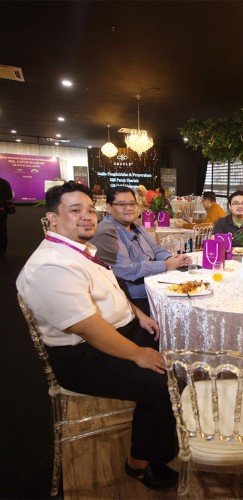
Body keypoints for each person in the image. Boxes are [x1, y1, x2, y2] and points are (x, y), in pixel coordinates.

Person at [16, 181, 179, 490]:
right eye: (75, 210)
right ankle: (139, 463)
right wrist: (138, 354)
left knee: (176, 349)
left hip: (118, 332)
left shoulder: (79, 249)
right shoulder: (51, 265)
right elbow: (87, 327)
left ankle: (162, 430)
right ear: (52, 218)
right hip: (84, 356)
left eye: (90, 210)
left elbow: (111, 291)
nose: (87, 216)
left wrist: (140, 315)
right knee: (161, 383)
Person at [92, 186, 191, 314]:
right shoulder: (107, 232)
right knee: (184, 298)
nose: (129, 208)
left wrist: (171, 259)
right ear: (109, 208)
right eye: (122, 204)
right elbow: (127, 270)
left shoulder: (136, 224)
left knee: (192, 280)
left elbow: (155, 248)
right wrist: (166, 265)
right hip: (133, 295)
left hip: (152, 279)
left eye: (132, 204)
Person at [0, 177, 15, 256]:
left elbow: (9, 196)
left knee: (2, 232)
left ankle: (2, 251)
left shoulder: (3, 182)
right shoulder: (4, 182)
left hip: (1, 212)